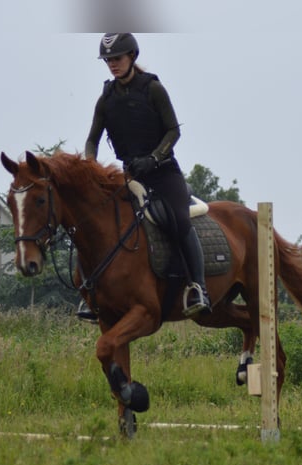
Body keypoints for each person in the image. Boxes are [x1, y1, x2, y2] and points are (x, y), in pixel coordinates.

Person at [80, 32, 211, 321]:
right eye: (108, 60)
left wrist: (153, 158)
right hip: (129, 175)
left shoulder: (153, 89)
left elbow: (174, 131)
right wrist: (91, 167)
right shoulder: (106, 98)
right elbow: (92, 140)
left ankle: (198, 286)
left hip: (163, 173)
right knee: (100, 222)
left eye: (117, 59)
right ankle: (93, 294)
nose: (112, 64)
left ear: (131, 57)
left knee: (177, 219)